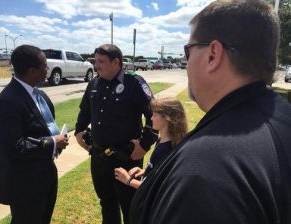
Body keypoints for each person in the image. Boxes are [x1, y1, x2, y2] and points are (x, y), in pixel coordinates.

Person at [130, 1, 291, 223]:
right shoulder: (282, 117)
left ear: (213, 54)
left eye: (188, 51)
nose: (186, 64)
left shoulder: (204, 170)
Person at [74, 44, 157, 224]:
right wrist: (79, 131)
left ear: (116, 62)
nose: (97, 66)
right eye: (95, 61)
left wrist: (145, 144)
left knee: (130, 204)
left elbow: (155, 115)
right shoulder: (94, 83)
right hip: (99, 156)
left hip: (126, 157)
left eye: (101, 61)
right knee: (107, 202)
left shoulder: (134, 82)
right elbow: (84, 111)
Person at [0, 45, 69, 224]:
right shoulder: (7, 102)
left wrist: (58, 141)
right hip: (24, 183)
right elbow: (11, 147)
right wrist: (51, 142)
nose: (47, 69)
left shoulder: (39, 94)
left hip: (45, 174)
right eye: (45, 66)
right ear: (32, 71)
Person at [114, 97, 187, 189]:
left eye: (155, 115)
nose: (151, 118)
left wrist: (128, 180)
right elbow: (159, 171)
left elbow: (154, 188)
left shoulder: (166, 150)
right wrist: (145, 171)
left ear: (166, 118)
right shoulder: (162, 140)